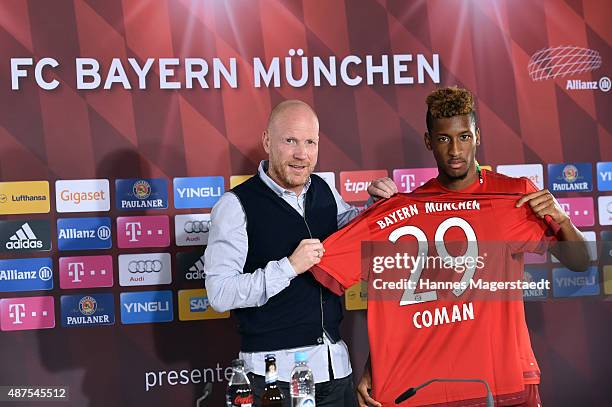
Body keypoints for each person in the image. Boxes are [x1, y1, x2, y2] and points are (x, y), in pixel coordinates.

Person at [354, 87, 589, 407]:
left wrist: (561, 219)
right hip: (439, 384)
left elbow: (580, 262)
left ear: (477, 136)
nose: (455, 150)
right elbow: (400, 303)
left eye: (464, 137)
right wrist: (376, 367)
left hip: (507, 379)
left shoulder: (514, 196)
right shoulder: (410, 209)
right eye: (443, 138)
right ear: (428, 141)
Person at [204, 99, 395, 407]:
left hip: (336, 373)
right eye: (290, 140)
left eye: (310, 142)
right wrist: (289, 267)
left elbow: (353, 232)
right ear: (267, 141)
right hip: (273, 380)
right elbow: (219, 293)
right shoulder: (234, 205)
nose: (301, 154)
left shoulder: (324, 190)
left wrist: (378, 208)